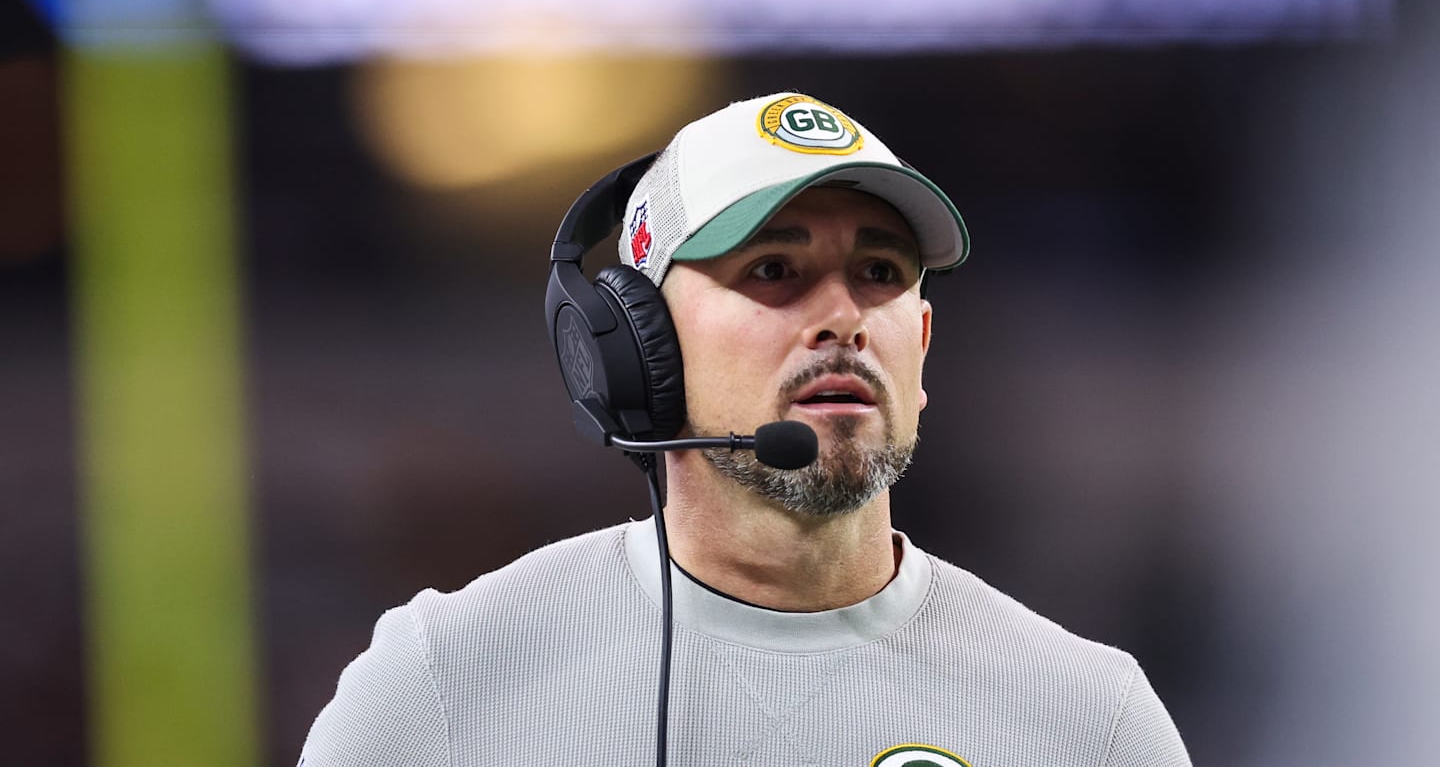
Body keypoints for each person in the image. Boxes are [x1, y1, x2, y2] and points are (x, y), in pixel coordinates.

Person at [299, 92, 1192, 766]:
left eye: (880, 272)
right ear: (638, 345)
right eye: (773, 270)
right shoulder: (446, 683)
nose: (843, 318)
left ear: (921, 345)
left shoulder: (1089, 722)